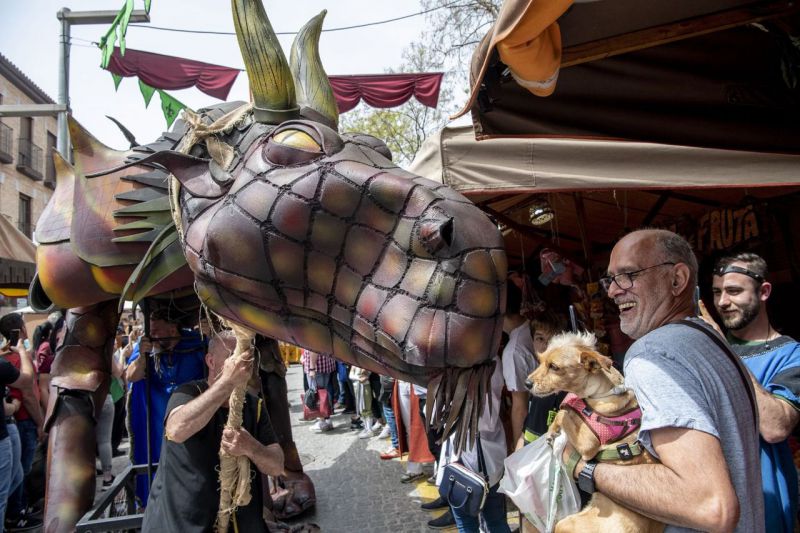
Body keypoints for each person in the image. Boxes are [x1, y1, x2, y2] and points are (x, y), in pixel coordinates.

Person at [565, 229, 763, 532]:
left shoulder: (652, 355)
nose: (613, 290)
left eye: (629, 274)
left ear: (677, 280)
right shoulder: (711, 338)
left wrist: (582, 466)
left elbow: (710, 505)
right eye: (611, 279)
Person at [141, 330, 284, 532]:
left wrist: (251, 447)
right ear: (210, 361)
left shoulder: (254, 406)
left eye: (246, 358)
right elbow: (176, 429)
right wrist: (227, 382)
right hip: (183, 525)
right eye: (232, 358)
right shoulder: (187, 393)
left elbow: (277, 466)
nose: (241, 365)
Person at [711, 252, 800, 533]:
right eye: (717, 293)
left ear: (764, 291)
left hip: (764, 508)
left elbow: (776, 426)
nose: (723, 302)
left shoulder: (791, 354)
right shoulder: (706, 350)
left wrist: (723, 353)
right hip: (710, 506)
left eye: (734, 291)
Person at [125, 308, 206, 506]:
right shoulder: (146, 347)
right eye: (151, 330)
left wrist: (211, 338)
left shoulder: (196, 342)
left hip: (192, 420)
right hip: (156, 421)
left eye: (157, 330)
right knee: (158, 463)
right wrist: (142, 357)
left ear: (173, 329)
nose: (153, 335)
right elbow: (130, 376)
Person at [0, 314, 44, 531]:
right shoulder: (13, 359)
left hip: (12, 423)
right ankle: (16, 514)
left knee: (15, 475)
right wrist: (40, 421)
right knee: (19, 474)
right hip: (19, 423)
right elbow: (27, 389)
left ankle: (16, 513)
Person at [501, 281, 537, 444]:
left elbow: (520, 407)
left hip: (536, 425)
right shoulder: (535, 327)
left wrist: (518, 450)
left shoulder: (513, 351)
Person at [302, 349, 336, 433]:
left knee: (317, 396)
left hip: (317, 366)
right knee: (324, 394)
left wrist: (312, 368)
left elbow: (313, 348)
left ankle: (321, 421)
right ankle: (327, 419)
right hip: (326, 364)